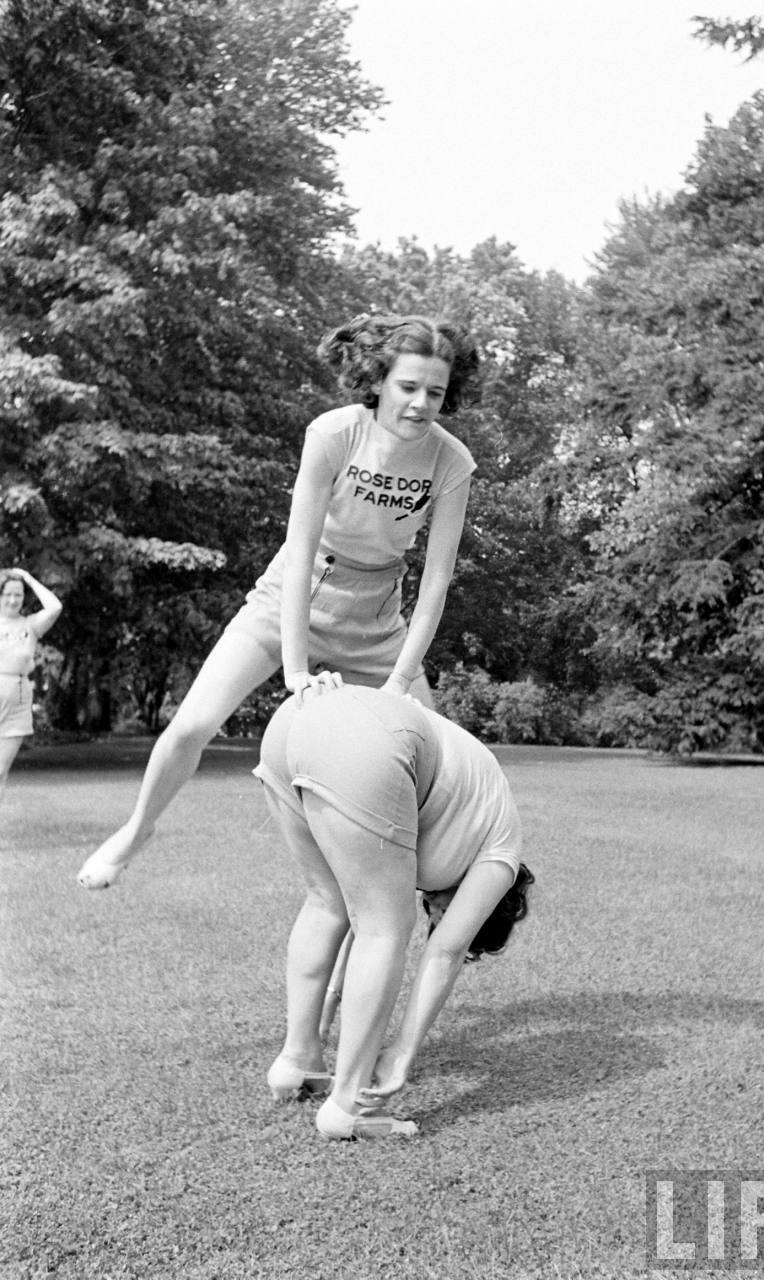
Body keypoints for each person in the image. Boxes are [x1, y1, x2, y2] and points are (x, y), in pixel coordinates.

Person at [77, 314, 481, 890]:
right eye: (407, 387)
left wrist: (400, 678)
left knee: (432, 764)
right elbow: (300, 551)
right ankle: (138, 828)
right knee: (192, 724)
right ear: (378, 381)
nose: (420, 404)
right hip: (298, 587)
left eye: (434, 393)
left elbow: (436, 580)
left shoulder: (451, 462)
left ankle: (374, 916)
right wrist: (295, 670)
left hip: (377, 614)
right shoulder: (333, 434)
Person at [255, 684, 535, 1141]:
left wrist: (329, 1008)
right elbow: (445, 952)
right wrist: (402, 1052)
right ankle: (346, 1106)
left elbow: (354, 916)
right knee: (386, 929)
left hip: (293, 724)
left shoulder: (471, 815)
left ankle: (297, 1059)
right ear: (492, 911)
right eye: (443, 913)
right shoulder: (501, 854)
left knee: (327, 903)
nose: (438, 919)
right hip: (368, 737)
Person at [0, 567, 63, 801]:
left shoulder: (30, 625)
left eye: (18, 594)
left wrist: (28, 578)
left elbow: (55, 607)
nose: (13, 600)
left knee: (0, 771)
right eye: (8, 594)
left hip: (17, 700)